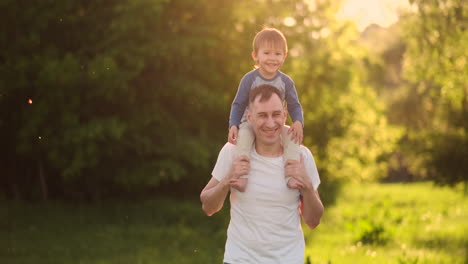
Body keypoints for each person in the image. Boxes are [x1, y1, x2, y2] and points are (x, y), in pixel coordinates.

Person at [201, 84, 324, 264]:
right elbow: (208, 207)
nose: (270, 123)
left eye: (275, 114)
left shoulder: (301, 156)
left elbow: (313, 221)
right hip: (240, 259)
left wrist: (306, 184)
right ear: (249, 117)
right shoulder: (232, 152)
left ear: (284, 113)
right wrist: (227, 179)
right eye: (262, 115)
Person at [228, 27, 304, 192]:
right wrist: (233, 124)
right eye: (267, 53)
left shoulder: (286, 82)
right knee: (243, 138)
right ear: (255, 55)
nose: (272, 58)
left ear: (284, 56)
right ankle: (241, 177)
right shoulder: (249, 79)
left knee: (292, 138)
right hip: (250, 124)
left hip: (275, 125)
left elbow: (294, 105)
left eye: (277, 54)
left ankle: (291, 176)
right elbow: (238, 104)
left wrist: (298, 121)